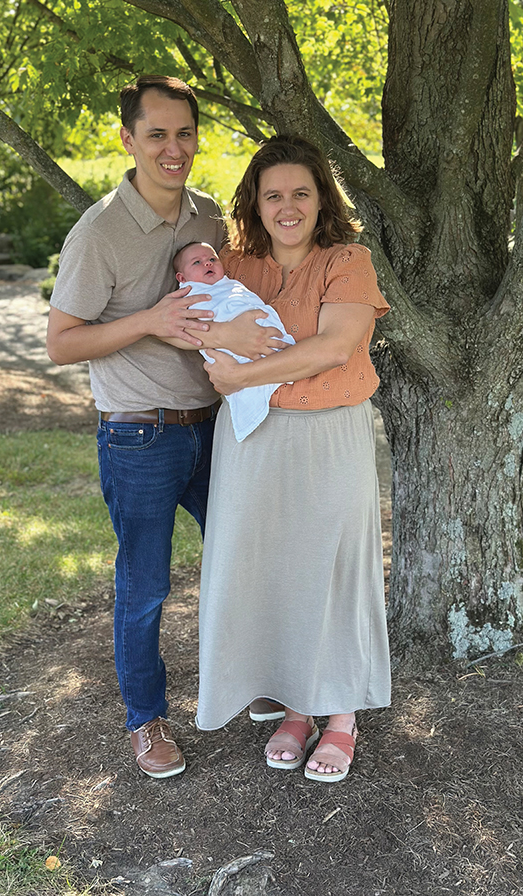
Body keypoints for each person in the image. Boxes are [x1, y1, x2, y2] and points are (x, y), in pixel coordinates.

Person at [46, 75, 283, 779]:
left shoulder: (208, 218)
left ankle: (259, 680)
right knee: (146, 585)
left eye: (184, 133)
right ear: (128, 139)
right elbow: (61, 342)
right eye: (156, 135)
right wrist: (149, 319)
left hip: (214, 427)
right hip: (138, 434)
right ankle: (146, 722)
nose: (172, 149)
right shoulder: (99, 233)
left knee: (245, 558)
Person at [195, 135, 392, 783]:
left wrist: (241, 374)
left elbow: (334, 347)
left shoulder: (347, 260)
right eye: (273, 194)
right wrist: (221, 343)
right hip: (253, 440)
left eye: (300, 193)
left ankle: (341, 718)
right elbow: (192, 324)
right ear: (255, 201)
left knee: (330, 566)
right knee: (275, 568)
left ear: (320, 199)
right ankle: (297, 708)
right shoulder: (235, 263)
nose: (287, 206)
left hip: (330, 435)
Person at [169, 241, 295, 441]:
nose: (207, 264)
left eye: (212, 259)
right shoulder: (189, 295)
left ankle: (277, 362)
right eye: (197, 262)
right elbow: (179, 327)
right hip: (232, 347)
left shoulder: (231, 285)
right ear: (182, 278)